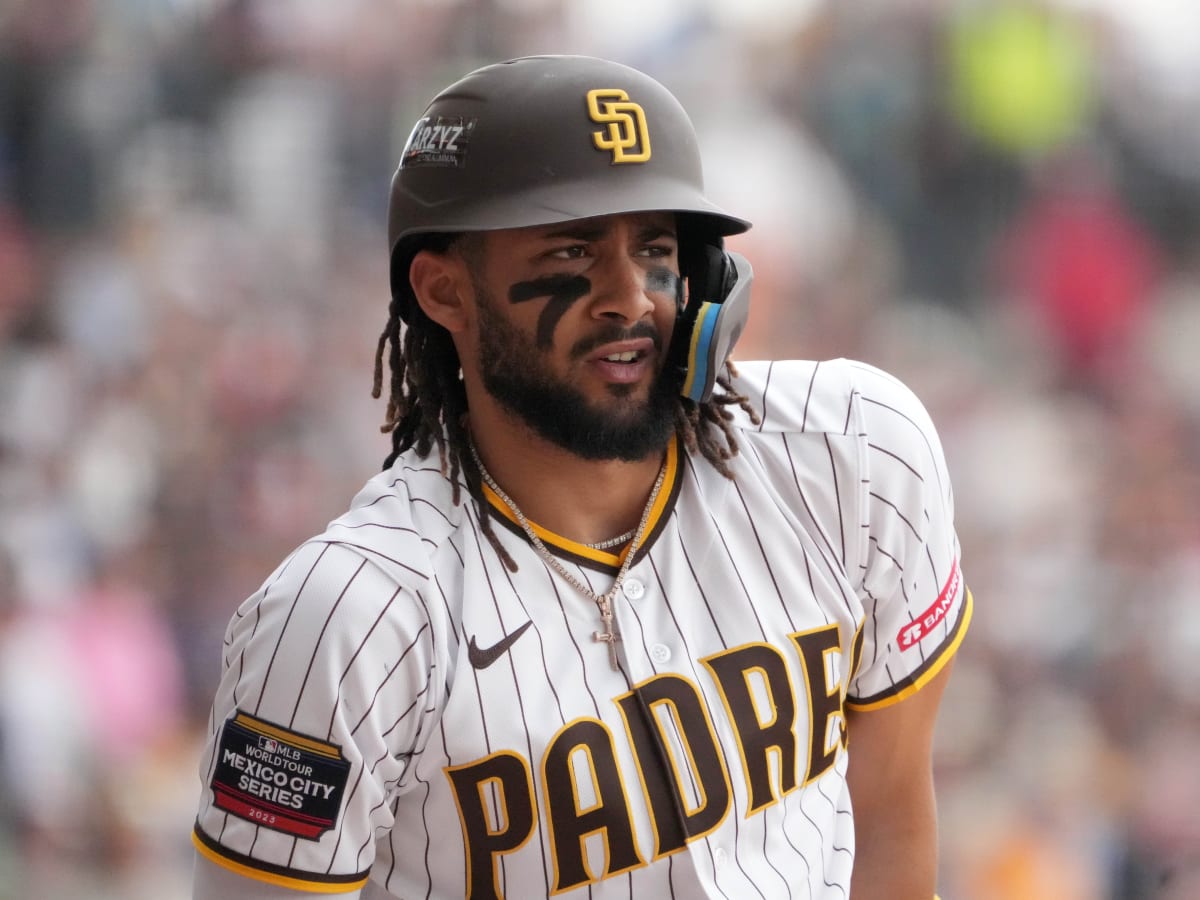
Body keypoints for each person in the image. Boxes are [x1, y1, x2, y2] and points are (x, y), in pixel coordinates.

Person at [190, 54, 972, 900]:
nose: (629, 298)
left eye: (656, 247)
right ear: (444, 289)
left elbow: (891, 813)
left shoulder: (851, 451)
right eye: (573, 250)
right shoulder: (347, 617)